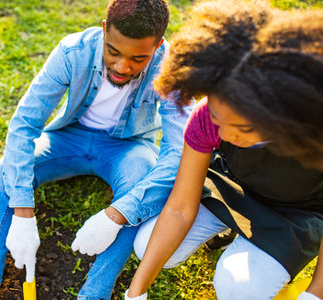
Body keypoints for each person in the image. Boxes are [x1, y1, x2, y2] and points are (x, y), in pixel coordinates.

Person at [0, 1, 194, 299]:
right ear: (103, 30)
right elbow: (23, 126)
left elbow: (177, 154)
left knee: (141, 185)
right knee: (6, 168)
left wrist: (118, 214)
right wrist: (22, 211)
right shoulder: (73, 52)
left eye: (138, 59)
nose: (123, 67)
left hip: (129, 147)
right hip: (68, 138)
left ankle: (93, 294)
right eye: (113, 52)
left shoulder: (172, 69)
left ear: (158, 45)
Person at [124, 0, 323, 299]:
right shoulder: (206, 118)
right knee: (146, 246)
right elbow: (179, 208)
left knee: (237, 288)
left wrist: (315, 294)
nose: (226, 134)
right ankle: (226, 231)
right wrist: (135, 292)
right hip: (230, 186)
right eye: (218, 118)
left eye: (243, 129)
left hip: (295, 215)